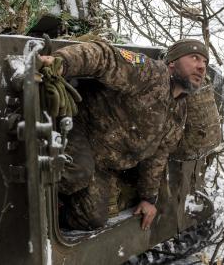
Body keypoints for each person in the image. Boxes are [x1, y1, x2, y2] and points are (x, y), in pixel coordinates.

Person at [38, 39, 209, 230]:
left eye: (205, 62)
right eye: (195, 58)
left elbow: (157, 156)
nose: (201, 67)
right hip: (78, 128)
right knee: (77, 172)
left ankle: (50, 219)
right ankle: (28, 205)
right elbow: (105, 56)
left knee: (92, 218)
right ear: (172, 62)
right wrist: (62, 63)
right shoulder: (150, 73)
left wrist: (148, 199)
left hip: (103, 163)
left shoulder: (179, 112)